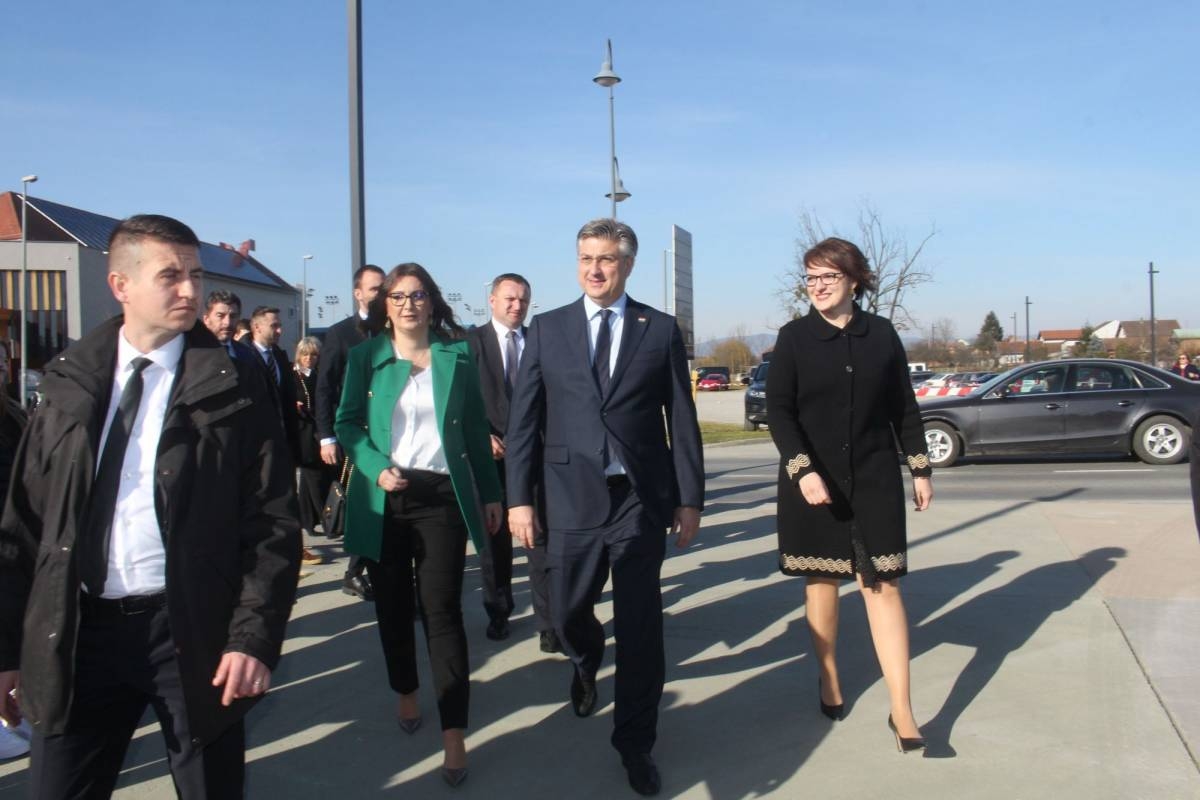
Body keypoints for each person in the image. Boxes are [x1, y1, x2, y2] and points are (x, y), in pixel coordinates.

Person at [0, 214, 300, 797]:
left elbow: (271, 521)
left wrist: (251, 638)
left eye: (195, 274)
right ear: (121, 284)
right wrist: (7, 645)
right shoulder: (68, 384)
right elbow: (24, 523)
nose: (190, 290)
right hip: (78, 632)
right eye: (170, 276)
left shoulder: (233, 387)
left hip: (191, 631)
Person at [506, 219, 704, 797]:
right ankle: (585, 658)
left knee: (641, 626)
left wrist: (689, 497)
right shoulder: (548, 329)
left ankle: (635, 743)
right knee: (567, 612)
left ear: (628, 265)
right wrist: (519, 499)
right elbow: (524, 424)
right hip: (568, 497)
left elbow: (681, 418)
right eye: (585, 258)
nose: (594, 269)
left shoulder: (658, 329)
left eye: (606, 259)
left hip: (637, 499)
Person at [335, 262, 502, 788]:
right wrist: (373, 465)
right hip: (384, 496)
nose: (409, 304)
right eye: (399, 296)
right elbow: (347, 423)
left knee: (443, 612)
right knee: (392, 606)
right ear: (385, 305)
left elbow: (474, 430)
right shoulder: (365, 357)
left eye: (418, 295)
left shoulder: (457, 356)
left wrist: (492, 494)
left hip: (441, 498)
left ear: (432, 302)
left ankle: (454, 731)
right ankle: (405, 688)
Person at [766, 237, 933, 754]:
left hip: (875, 480)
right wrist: (802, 470)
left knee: (883, 586)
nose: (817, 286)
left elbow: (903, 406)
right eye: (810, 278)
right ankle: (830, 675)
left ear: (854, 281)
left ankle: (903, 710)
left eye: (828, 277)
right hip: (813, 484)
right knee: (822, 582)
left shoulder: (881, 334)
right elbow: (779, 413)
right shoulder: (794, 338)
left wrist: (920, 467)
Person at [464, 273, 559, 651]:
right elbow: (458, 400)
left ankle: (549, 624)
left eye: (523, 300)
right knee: (494, 544)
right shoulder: (470, 343)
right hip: (489, 461)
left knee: (539, 541)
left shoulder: (541, 340)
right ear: (492, 300)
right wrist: (480, 435)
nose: (517, 306)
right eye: (509, 298)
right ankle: (499, 611)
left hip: (535, 458)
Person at [316, 264, 386, 600]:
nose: (380, 294)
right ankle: (355, 571)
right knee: (364, 504)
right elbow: (324, 387)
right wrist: (326, 436)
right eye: (374, 289)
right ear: (358, 293)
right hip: (356, 433)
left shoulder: (391, 329)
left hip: (388, 431)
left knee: (384, 503)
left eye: (384, 288)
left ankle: (366, 568)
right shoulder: (340, 333)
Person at [293, 336, 329, 566]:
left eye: (313, 355)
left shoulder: (317, 375)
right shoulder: (294, 376)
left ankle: (307, 520)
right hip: (303, 432)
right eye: (305, 354)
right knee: (314, 477)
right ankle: (327, 519)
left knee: (308, 481)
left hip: (316, 430)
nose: (309, 359)